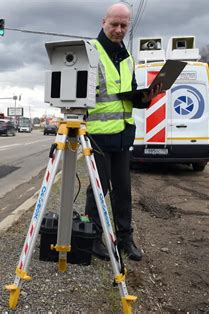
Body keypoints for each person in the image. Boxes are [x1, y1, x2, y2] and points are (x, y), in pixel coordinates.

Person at [85, 2, 161, 261]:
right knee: (98, 190)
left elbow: (127, 95)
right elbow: (84, 96)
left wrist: (146, 97)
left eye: (123, 25)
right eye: (114, 24)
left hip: (122, 134)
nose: (119, 30)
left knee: (123, 190)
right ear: (103, 23)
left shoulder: (126, 56)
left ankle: (125, 240)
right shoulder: (91, 51)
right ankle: (94, 239)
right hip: (97, 135)